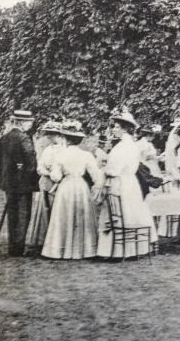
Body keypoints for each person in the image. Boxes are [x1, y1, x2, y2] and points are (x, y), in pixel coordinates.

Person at [97, 111, 158, 259]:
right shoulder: (130, 145)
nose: (113, 129)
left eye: (116, 127)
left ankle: (119, 250)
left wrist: (103, 167)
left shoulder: (123, 147)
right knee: (131, 212)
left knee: (121, 213)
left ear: (124, 129)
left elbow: (114, 169)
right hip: (131, 183)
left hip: (120, 182)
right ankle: (133, 248)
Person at [42, 121, 104, 259]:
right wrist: (96, 187)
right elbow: (96, 176)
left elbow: (56, 177)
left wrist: (52, 171)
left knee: (64, 215)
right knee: (83, 216)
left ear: (65, 138)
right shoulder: (86, 155)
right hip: (81, 187)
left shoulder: (61, 155)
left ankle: (60, 249)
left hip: (66, 186)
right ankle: (84, 250)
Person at [0, 110, 39, 257]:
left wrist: (5, 179)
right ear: (21, 122)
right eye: (29, 122)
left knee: (12, 214)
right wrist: (30, 180)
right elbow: (31, 163)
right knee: (22, 215)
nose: (30, 124)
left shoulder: (4, 138)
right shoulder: (24, 139)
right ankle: (18, 248)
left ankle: (11, 246)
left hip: (8, 183)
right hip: (22, 185)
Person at [25, 121, 65, 254]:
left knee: (57, 210)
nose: (51, 137)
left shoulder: (65, 150)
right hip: (46, 182)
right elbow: (39, 167)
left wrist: (57, 174)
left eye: (53, 135)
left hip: (59, 184)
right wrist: (46, 172)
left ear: (60, 135)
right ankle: (42, 241)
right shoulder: (47, 150)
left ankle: (57, 241)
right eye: (49, 135)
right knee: (43, 210)